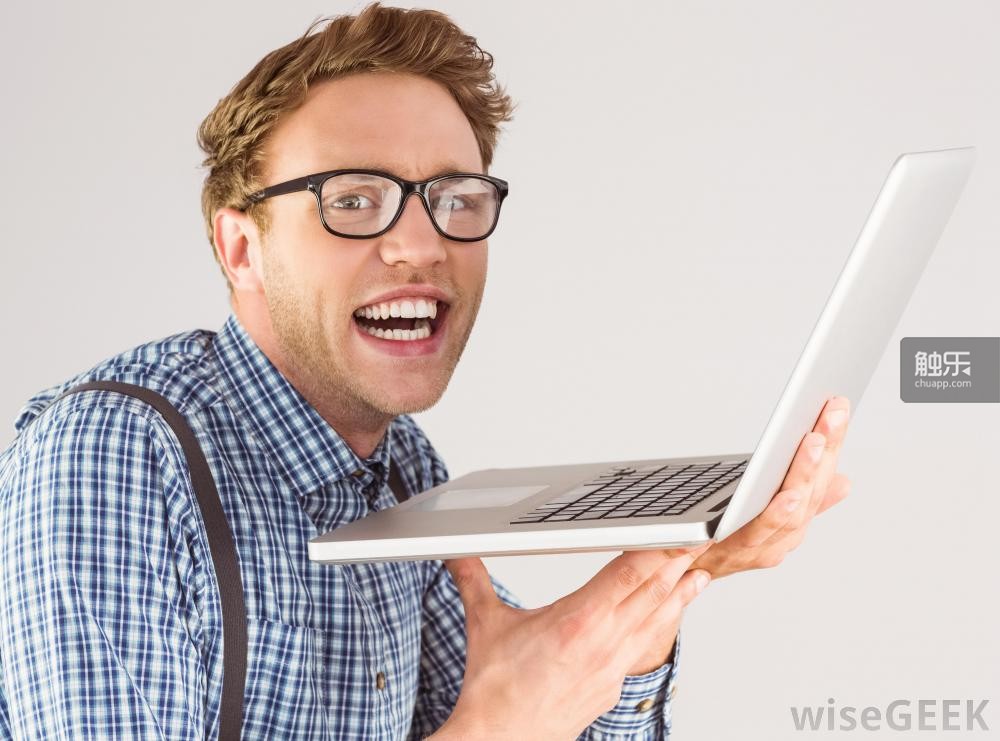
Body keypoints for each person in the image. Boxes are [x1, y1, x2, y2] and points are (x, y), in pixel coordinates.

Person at [0, 3, 852, 738]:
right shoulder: (113, 456)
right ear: (241, 247)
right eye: (354, 199)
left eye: (454, 198)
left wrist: (684, 562)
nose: (421, 244)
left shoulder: (402, 471)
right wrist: (499, 727)